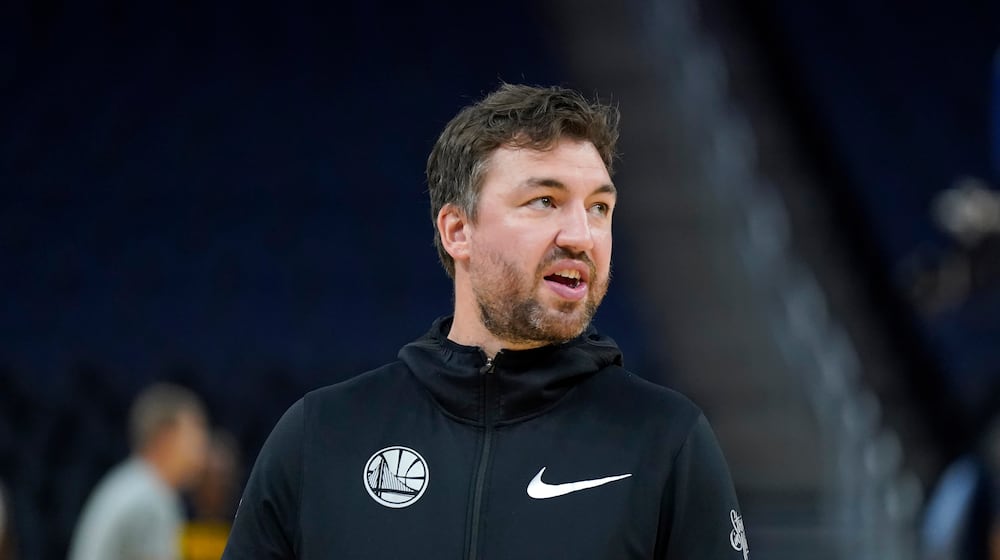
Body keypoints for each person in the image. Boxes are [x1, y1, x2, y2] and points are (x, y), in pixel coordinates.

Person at [223, 84, 747, 559]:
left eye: (599, 208)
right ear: (457, 230)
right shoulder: (323, 435)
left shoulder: (665, 439)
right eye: (545, 201)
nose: (583, 236)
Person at [68, 383, 209, 560]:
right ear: (167, 437)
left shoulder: (130, 482)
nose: (203, 448)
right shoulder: (151, 500)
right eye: (195, 433)